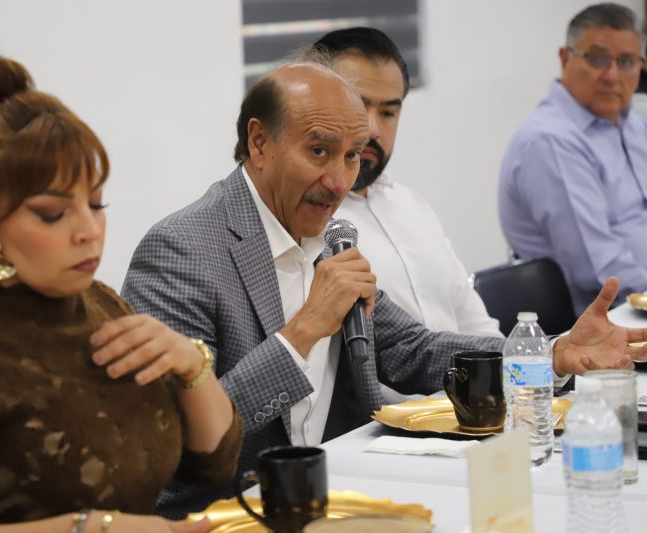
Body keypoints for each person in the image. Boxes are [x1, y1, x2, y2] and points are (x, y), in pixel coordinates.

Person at [120, 61, 647, 517]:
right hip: (222, 514)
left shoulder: (326, 237)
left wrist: (550, 355)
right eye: (320, 151)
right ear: (260, 142)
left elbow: (414, 350)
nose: (339, 181)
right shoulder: (182, 251)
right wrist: (304, 330)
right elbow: (175, 443)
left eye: (352, 155)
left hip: (337, 496)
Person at [0, 56, 242, 533]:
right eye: (52, 213)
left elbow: (211, 465)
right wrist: (89, 528)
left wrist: (192, 365)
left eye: (96, 203)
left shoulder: (103, 306)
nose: (89, 231)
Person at [311, 27, 502, 338]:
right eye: (358, 105)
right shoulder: (305, 221)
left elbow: (476, 325)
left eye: (388, 113)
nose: (372, 129)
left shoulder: (411, 205)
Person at [499, 3, 647, 315]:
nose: (612, 75)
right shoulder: (550, 141)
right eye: (597, 58)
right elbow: (598, 269)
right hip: (604, 320)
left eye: (626, 61)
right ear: (565, 58)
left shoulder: (633, 125)